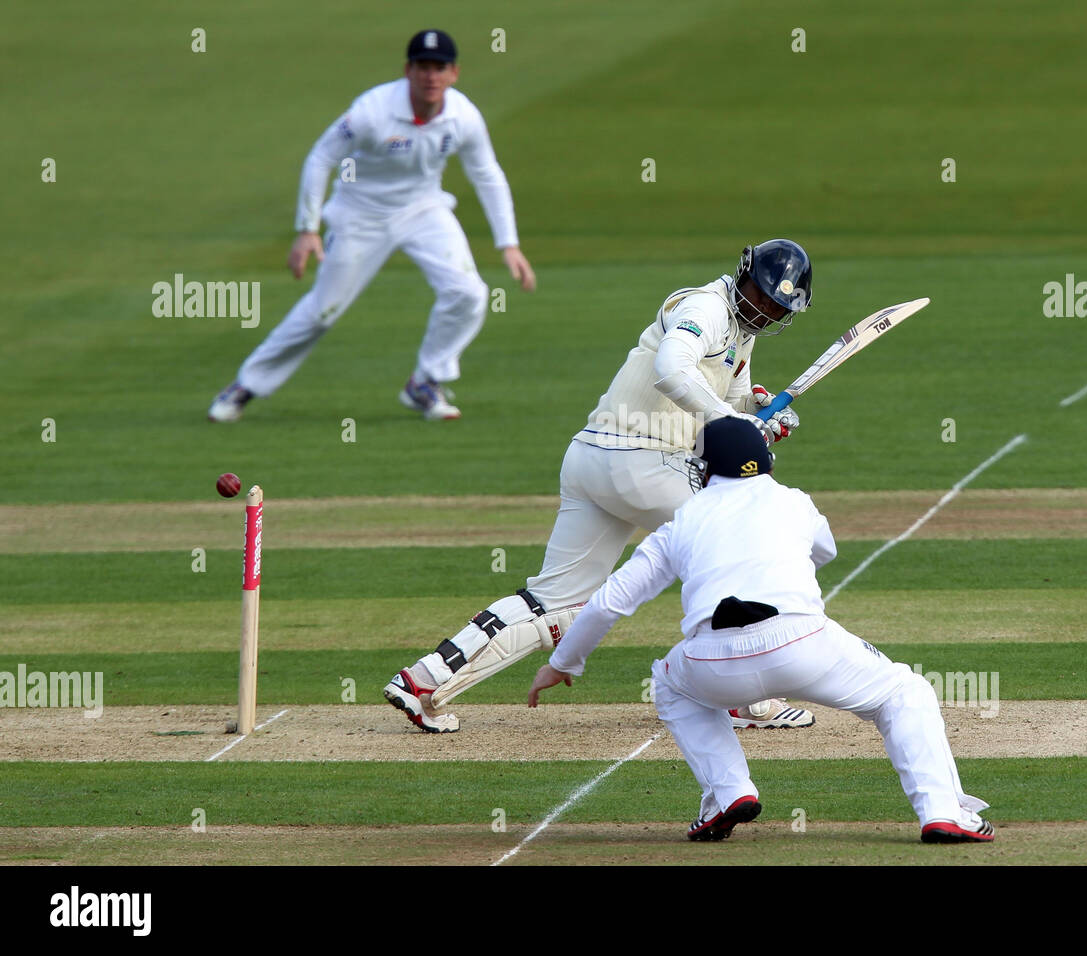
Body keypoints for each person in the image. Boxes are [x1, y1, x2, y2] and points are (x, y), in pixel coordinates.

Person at [384, 239, 813, 733]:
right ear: (743, 276)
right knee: (743, 543)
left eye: (775, 307)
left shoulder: (741, 329)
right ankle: (743, 697)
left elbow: (731, 406)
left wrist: (761, 416)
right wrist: (733, 420)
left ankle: (423, 680)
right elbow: (671, 371)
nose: (764, 310)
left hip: (594, 461)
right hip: (643, 461)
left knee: (554, 600)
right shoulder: (704, 308)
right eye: (760, 296)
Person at [527, 416, 996, 844]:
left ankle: (730, 792)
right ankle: (942, 812)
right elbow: (825, 553)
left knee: (669, 683)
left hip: (712, 661)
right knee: (904, 692)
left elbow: (610, 600)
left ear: (704, 468)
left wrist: (562, 662)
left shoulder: (682, 520)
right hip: (803, 645)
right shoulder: (794, 500)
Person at [208, 29, 535, 423]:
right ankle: (245, 386)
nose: (431, 76)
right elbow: (321, 157)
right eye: (423, 67)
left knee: (468, 293)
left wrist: (509, 244)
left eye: (439, 68)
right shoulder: (373, 110)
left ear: (454, 73)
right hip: (359, 213)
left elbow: (487, 174)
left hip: (423, 208)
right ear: (407, 70)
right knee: (322, 312)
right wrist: (308, 228)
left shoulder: (462, 116)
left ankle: (426, 381)